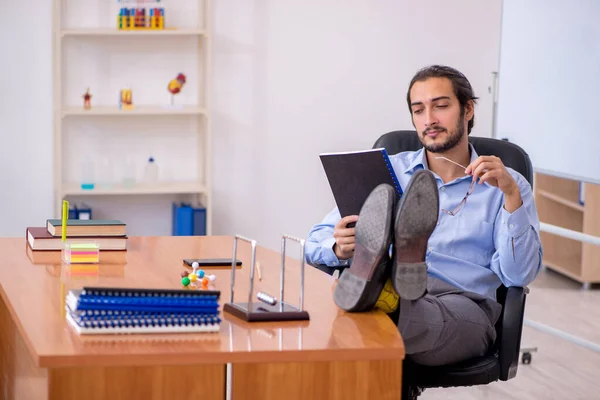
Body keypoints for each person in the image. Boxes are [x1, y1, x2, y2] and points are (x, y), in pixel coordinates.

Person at [305, 65, 543, 366]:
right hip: (388, 290)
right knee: (369, 321)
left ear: (468, 109)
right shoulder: (386, 172)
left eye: (441, 106)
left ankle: (379, 288)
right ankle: (382, 280)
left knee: (394, 320)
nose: (429, 119)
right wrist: (339, 246)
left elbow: (519, 275)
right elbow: (313, 244)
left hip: (464, 305)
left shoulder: (508, 184)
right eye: (418, 110)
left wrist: (511, 197)